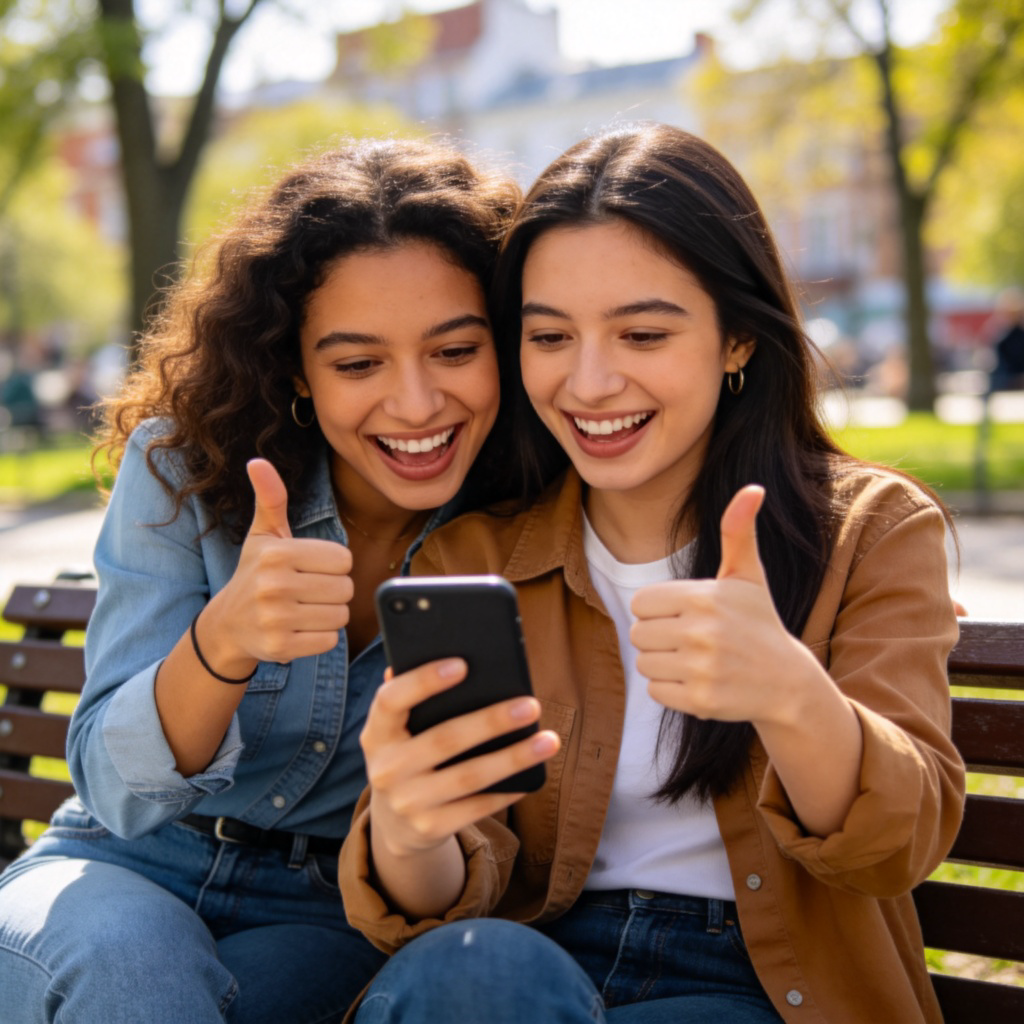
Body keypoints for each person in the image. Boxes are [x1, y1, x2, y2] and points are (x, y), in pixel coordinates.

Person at [338, 124, 966, 1023]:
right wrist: (407, 823)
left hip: (760, 988)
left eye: (641, 333)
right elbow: (434, 908)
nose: (589, 383)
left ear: (739, 338)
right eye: (549, 337)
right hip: (529, 977)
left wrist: (792, 693)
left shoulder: (871, 531)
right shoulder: (471, 559)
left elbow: (893, 848)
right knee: (471, 972)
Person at [0, 137, 519, 1024]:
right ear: (298, 374)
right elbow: (112, 790)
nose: (418, 403)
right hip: (123, 863)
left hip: (329, 904)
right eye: (358, 364)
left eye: (454, 351)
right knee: (134, 975)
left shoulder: (527, 516)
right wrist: (224, 641)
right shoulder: (181, 465)